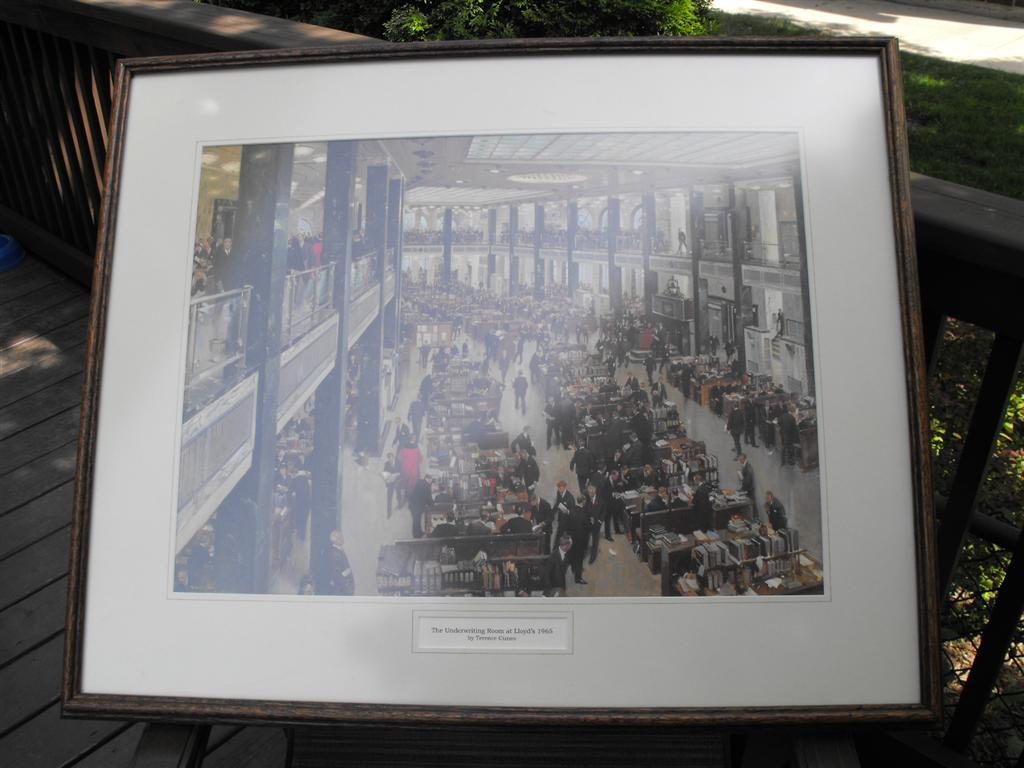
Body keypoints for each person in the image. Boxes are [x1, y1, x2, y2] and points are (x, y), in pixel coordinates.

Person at [324, 530, 354, 595]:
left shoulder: (339, 550)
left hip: (344, 585)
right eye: (340, 537)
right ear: (336, 540)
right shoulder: (335, 553)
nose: (343, 539)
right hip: (340, 586)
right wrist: (347, 572)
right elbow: (336, 572)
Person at [738, 453, 756, 518]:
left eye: (740, 459)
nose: (739, 461)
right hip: (748, 488)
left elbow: (747, 482)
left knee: (750, 504)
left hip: (749, 489)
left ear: (744, 459)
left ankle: (753, 518)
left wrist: (741, 477)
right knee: (751, 504)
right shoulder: (745, 465)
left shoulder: (748, 468)